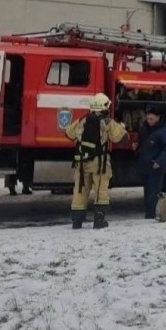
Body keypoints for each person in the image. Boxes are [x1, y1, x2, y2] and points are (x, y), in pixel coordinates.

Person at [65, 93, 129, 229]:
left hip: (82, 162)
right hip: (99, 163)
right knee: (101, 190)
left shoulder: (84, 119)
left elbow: (69, 134)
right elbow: (122, 138)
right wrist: (123, 127)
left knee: (80, 189)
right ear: (104, 106)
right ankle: (99, 221)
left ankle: (77, 221)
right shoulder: (106, 121)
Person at [133, 105, 166, 219]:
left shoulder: (165, 130)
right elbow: (141, 139)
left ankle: (151, 216)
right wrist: (136, 144)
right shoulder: (145, 127)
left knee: (153, 193)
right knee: (147, 192)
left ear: (158, 117)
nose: (149, 121)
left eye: (151, 119)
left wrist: (159, 162)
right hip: (145, 166)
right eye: (147, 118)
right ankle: (148, 212)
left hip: (156, 167)